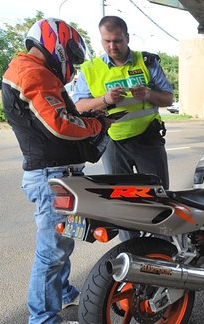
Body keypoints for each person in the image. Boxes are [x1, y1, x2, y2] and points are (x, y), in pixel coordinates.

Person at [1, 18, 112, 323]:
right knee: (51, 253)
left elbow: (53, 116)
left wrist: (92, 118)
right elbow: (59, 123)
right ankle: (43, 318)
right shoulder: (31, 72)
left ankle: (61, 292)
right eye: (73, 59)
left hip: (60, 175)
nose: (74, 69)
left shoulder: (33, 71)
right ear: (57, 43)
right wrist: (97, 124)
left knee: (64, 240)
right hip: (53, 178)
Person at [73, 16, 173, 239]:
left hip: (148, 138)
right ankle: (131, 250)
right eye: (106, 41)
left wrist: (148, 94)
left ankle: (164, 248)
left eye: (117, 40)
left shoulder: (146, 62)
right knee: (121, 202)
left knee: (159, 198)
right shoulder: (90, 69)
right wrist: (105, 99)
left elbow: (168, 98)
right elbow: (78, 106)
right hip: (112, 142)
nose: (112, 46)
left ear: (127, 38)